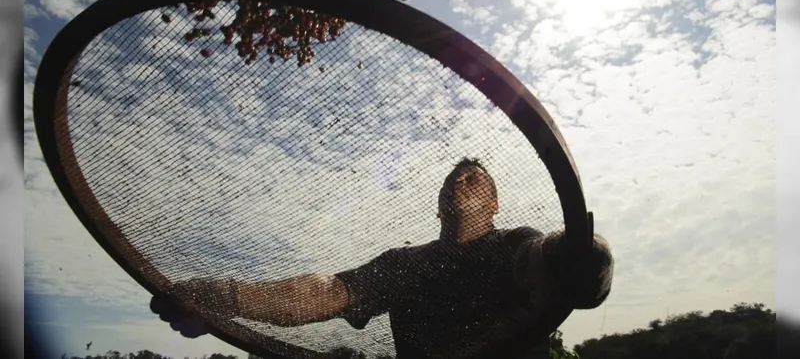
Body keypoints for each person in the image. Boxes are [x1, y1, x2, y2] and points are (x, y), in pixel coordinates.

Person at [151, 158, 614, 358]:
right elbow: (325, 294)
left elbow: (553, 268)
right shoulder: (404, 264)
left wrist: (586, 258)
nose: (459, 183)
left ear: (494, 205)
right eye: (451, 181)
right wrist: (222, 297)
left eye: (474, 180)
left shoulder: (518, 244)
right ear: (437, 206)